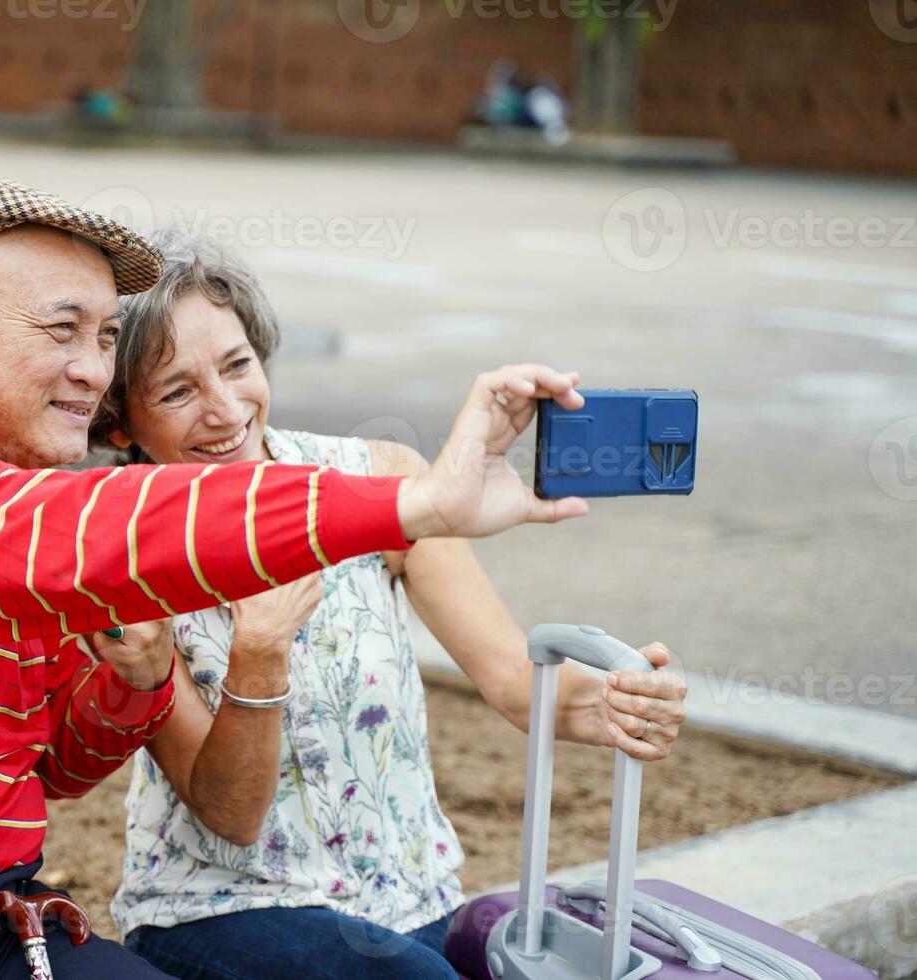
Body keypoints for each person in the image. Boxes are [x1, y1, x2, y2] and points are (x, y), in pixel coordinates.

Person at [0, 175, 591, 979]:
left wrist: (133, 679)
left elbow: (60, 767)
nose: (90, 368)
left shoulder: (18, 500)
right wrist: (412, 504)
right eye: (62, 329)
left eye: (102, 336)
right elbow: (122, 527)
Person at [93, 229, 688, 980]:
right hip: (225, 909)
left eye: (237, 365)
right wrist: (259, 652)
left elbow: (514, 681)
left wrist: (612, 702)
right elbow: (231, 818)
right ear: (119, 422)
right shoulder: (120, 560)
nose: (224, 409)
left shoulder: (377, 482)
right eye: (177, 391)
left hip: (409, 900)